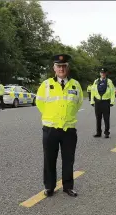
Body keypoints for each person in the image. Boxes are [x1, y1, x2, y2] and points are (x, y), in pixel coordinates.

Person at [35, 54, 83, 198]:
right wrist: (52, 116)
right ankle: (49, 187)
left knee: (68, 159)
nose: (61, 69)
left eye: (64, 66)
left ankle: (68, 186)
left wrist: (67, 116)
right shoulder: (46, 85)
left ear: (67, 68)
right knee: (49, 159)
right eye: (58, 66)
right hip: (51, 128)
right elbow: (40, 103)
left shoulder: (75, 85)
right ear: (54, 68)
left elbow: (78, 103)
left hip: (69, 129)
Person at [90, 67, 116, 138]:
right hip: (97, 102)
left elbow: (112, 92)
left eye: (104, 73)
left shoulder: (109, 81)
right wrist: (92, 101)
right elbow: (92, 91)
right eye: (101, 73)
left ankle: (106, 132)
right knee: (98, 118)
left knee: (106, 118)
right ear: (100, 73)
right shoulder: (96, 81)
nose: (102, 74)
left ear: (106, 73)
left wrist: (112, 101)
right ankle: (98, 132)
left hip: (106, 102)